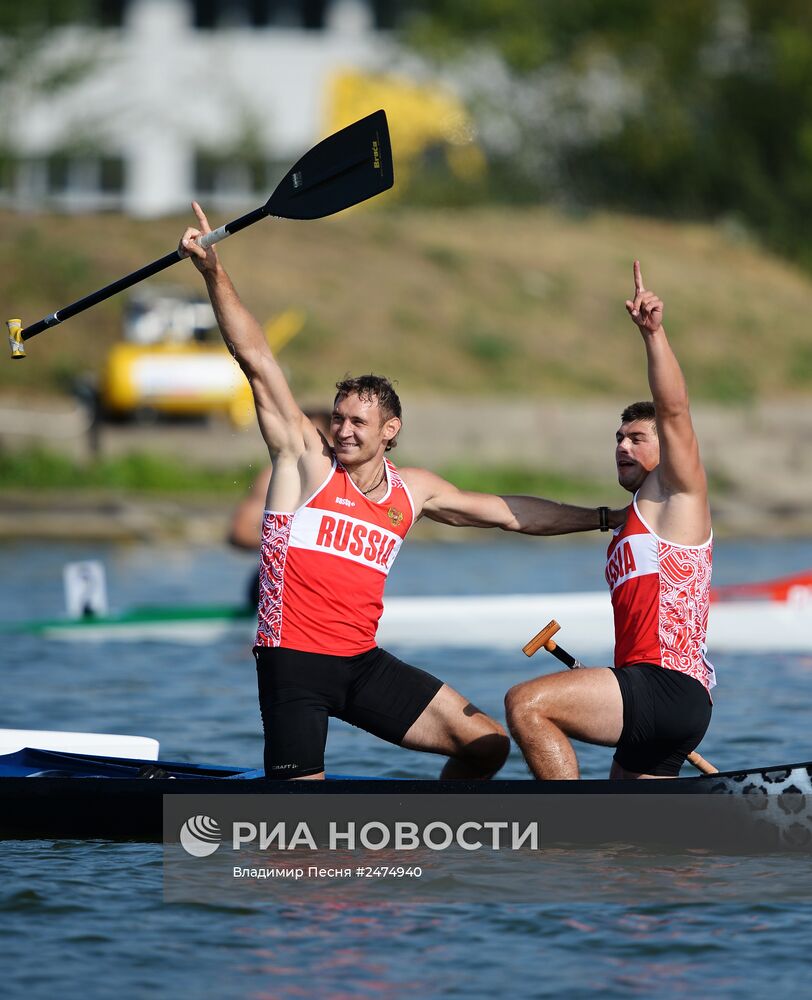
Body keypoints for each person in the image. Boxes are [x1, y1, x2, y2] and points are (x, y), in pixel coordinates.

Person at [180, 202, 623, 781]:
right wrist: (214, 273)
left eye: (357, 423)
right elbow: (258, 361)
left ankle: (435, 842)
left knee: (485, 744)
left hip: (361, 665)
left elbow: (509, 514)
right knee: (299, 829)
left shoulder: (413, 491)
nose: (342, 429)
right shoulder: (305, 462)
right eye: (338, 418)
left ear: (390, 431)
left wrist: (604, 516)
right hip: (292, 662)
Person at [505, 262, 714, 780]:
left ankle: (565, 828)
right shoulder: (634, 517)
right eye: (617, 438)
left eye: (635, 438)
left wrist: (654, 335)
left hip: (666, 686)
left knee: (527, 704)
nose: (621, 445)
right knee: (635, 849)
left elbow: (675, 411)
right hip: (658, 697)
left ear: (665, 450)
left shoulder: (678, 494)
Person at [229, 410, 332, 606]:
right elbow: (239, 533)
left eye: (310, 438)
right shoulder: (272, 477)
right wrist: (293, 546)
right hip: (275, 582)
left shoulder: (347, 480)